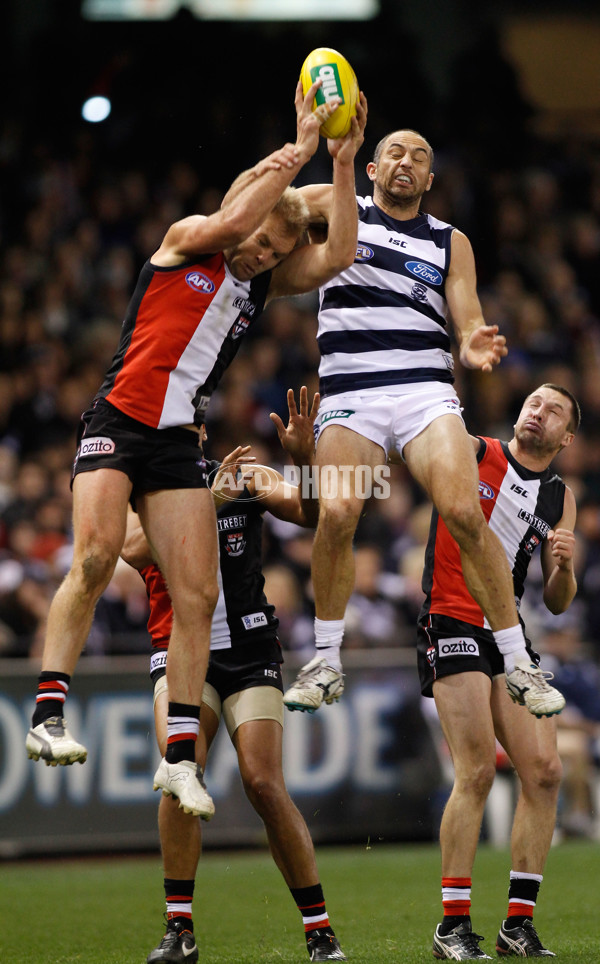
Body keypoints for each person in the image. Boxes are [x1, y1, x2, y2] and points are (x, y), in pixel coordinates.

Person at [24, 81, 367, 822]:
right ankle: (47, 713)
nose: (263, 255)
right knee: (95, 556)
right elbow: (241, 212)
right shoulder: (187, 240)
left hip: (178, 442)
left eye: (276, 250)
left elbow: (338, 252)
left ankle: (179, 758)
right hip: (119, 419)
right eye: (261, 244)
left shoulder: (255, 285)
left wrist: (342, 163)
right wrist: (300, 145)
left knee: (197, 595)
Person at [283, 129, 566, 721]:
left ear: (430, 180)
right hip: (351, 390)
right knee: (336, 511)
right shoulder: (337, 207)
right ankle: (327, 659)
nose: (406, 162)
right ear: (372, 166)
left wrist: (473, 345)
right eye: (394, 152)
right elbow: (273, 210)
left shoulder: (448, 241)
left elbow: (467, 320)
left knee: (464, 512)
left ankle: (517, 663)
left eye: (420, 158)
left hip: (423, 390)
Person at [122, 387, 346, 964]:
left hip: (249, 650)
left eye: (191, 426)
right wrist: (206, 502)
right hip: (180, 655)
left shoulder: (246, 474)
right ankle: (179, 930)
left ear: (199, 431)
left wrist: (303, 458)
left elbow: (316, 513)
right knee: (179, 770)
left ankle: (319, 930)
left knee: (265, 783)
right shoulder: (135, 482)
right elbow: (130, 548)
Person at [416, 383, 579, 959]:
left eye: (554, 409)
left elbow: (558, 601)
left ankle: (518, 923)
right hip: (452, 618)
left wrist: (563, 568)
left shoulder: (560, 497)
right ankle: (452, 926)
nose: (539, 410)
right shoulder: (471, 451)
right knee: (478, 771)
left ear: (567, 436)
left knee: (546, 771)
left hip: (508, 633)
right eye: (533, 401)